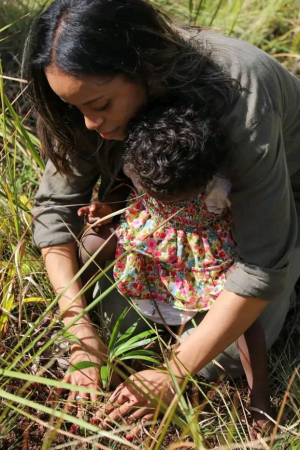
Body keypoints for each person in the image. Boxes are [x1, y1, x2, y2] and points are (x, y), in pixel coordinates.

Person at [24, 0, 300, 438]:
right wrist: (82, 336)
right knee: (116, 327)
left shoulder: (238, 91)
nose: (89, 124)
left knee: (221, 360)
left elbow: (262, 262)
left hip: (267, 209)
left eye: (101, 105)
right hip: (173, 236)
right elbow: (56, 213)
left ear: (145, 68)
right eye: (73, 108)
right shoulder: (87, 102)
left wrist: (174, 372)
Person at [79, 102, 273, 431]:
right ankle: (87, 318)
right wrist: (107, 205)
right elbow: (126, 188)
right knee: (92, 244)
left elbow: (246, 304)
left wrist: (261, 403)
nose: (145, 190)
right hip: (150, 247)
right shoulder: (143, 160)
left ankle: (259, 398)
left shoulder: (216, 188)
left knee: (241, 313)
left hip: (200, 259)